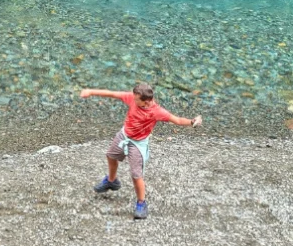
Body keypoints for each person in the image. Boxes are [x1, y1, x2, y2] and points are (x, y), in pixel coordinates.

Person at [80, 82, 202, 220]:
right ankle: (111, 181)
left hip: (138, 144)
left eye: (136, 98)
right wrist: (90, 91)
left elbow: (177, 120)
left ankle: (141, 203)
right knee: (111, 156)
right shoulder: (132, 98)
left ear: (147, 102)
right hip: (124, 135)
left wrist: (192, 122)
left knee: (136, 175)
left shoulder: (156, 111)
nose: (133, 99)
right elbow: (112, 93)